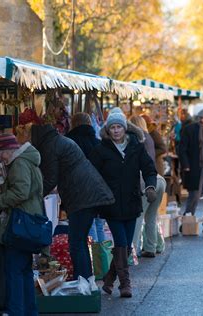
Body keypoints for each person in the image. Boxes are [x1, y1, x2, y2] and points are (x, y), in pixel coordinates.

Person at [23, 122, 114, 281]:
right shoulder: (58, 140)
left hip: (82, 195)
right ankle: (86, 279)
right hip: (87, 192)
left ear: (35, 135)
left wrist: (32, 197)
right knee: (79, 241)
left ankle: (83, 279)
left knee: (76, 242)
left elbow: (50, 179)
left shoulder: (51, 145)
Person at [90, 110, 157, 297]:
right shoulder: (101, 149)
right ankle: (125, 284)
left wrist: (150, 186)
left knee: (126, 245)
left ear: (125, 128)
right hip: (111, 205)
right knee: (120, 241)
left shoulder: (136, 146)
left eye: (119, 126)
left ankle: (109, 279)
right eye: (112, 127)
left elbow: (149, 169)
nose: (116, 130)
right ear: (108, 130)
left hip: (132, 202)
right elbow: (92, 174)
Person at [0, 133, 43, 316]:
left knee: (14, 271)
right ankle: (29, 311)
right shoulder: (25, 161)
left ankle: (16, 312)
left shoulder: (19, 163)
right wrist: (3, 189)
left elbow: (21, 192)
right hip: (27, 221)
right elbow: (22, 189)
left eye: (0, 153)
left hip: (20, 223)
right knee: (24, 270)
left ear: (9, 149)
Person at [129, 115, 166, 258]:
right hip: (158, 179)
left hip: (146, 181)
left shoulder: (136, 138)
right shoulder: (149, 137)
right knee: (151, 216)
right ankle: (151, 247)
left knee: (138, 215)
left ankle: (132, 251)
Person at [65, 112, 106, 242]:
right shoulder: (98, 143)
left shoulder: (70, 142)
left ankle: (92, 258)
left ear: (73, 124)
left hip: (79, 189)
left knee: (89, 226)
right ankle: (102, 259)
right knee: (99, 224)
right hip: (100, 187)